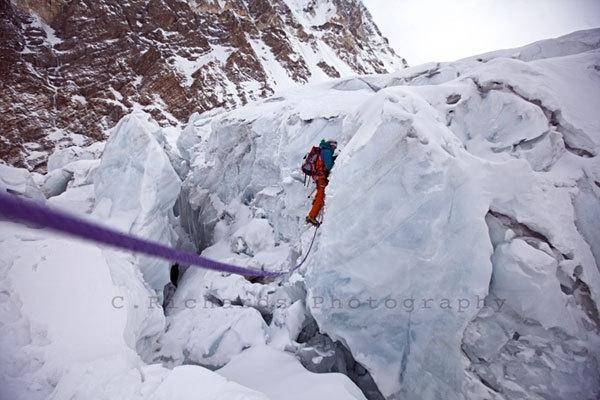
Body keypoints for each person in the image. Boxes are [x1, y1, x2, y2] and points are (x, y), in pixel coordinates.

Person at [306, 139, 337, 226]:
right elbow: (329, 166)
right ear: (331, 145)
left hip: (318, 176)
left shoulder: (323, 150)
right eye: (335, 146)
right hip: (321, 177)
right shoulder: (327, 152)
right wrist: (335, 162)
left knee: (320, 191)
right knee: (321, 195)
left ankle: (315, 200)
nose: (335, 148)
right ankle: (311, 216)